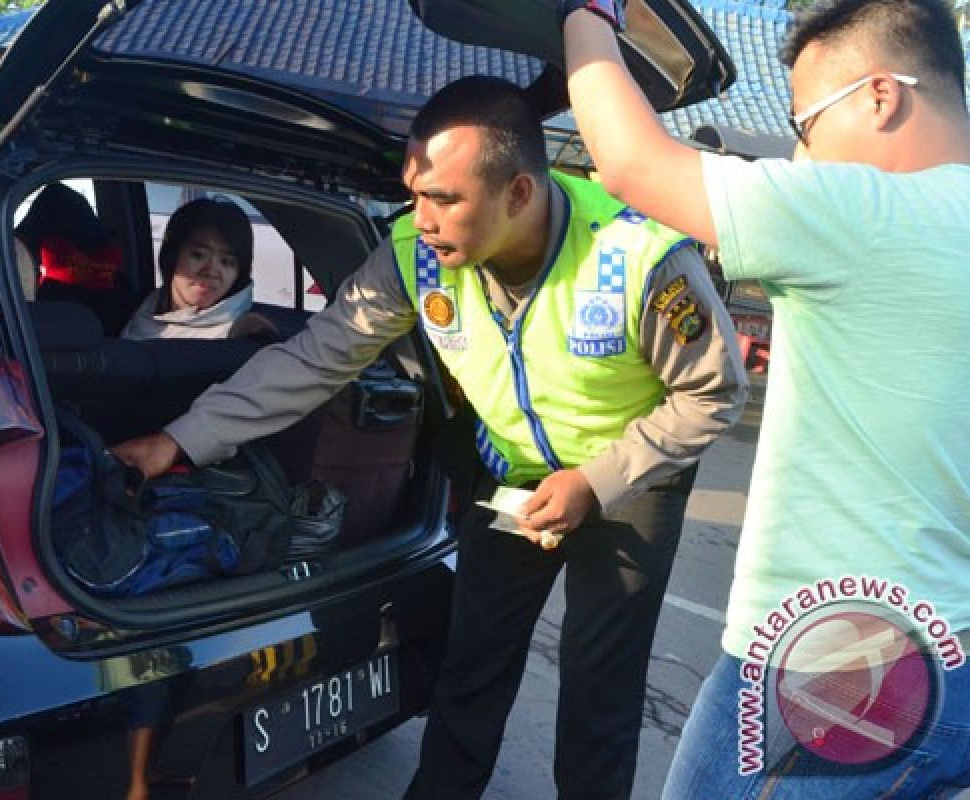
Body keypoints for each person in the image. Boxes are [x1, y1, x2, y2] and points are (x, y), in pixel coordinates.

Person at [113, 74, 747, 799]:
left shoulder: (639, 257)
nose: (423, 218)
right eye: (415, 193)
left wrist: (595, 482)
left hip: (633, 478)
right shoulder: (415, 251)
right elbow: (314, 357)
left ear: (518, 193)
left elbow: (713, 393)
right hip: (511, 475)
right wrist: (183, 438)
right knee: (471, 668)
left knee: (599, 688)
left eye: (444, 198)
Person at [557, 0, 970, 796]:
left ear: (881, 96)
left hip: (840, 672)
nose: (799, 155)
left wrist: (589, 11)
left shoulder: (864, 212)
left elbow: (630, 162)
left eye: (805, 124)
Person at [122, 196, 276, 341]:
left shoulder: (241, 336)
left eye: (227, 262)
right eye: (198, 255)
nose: (211, 271)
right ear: (171, 255)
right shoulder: (144, 307)